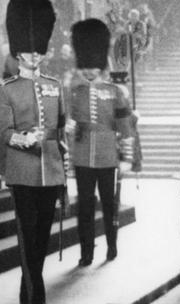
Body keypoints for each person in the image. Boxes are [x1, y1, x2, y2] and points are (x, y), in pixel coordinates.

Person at [0, 0, 66, 304]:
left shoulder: (54, 86)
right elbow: (4, 131)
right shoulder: (8, 90)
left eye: (38, 51)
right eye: (28, 51)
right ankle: (37, 297)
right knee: (27, 236)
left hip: (50, 170)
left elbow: (59, 127)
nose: (35, 56)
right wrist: (23, 140)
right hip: (23, 171)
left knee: (41, 238)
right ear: (18, 54)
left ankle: (27, 293)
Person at [66, 18, 133, 266]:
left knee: (109, 204)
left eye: (94, 66)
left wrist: (126, 158)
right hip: (83, 156)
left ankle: (111, 244)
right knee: (84, 207)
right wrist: (69, 127)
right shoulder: (74, 90)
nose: (90, 71)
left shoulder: (115, 91)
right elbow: (66, 120)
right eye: (86, 66)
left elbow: (125, 127)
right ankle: (86, 251)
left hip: (107, 156)